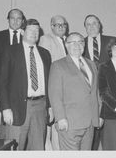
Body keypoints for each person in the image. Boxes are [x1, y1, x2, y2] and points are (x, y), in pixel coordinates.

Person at [0, 19, 52, 150]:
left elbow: (49, 82)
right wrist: (5, 108)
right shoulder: (10, 51)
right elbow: (2, 82)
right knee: (15, 148)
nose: (34, 33)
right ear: (22, 31)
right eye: (30, 30)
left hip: (41, 106)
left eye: (37, 30)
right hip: (17, 108)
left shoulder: (45, 54)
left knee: (38, 147)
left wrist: (49, 106)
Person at [48, 32, 101, 150]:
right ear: (66, 45)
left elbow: (95, 92)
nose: (77, 45)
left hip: (90, 123)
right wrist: (60, 118)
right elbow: (55, 95)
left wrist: (99, 115)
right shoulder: (58, 65)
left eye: (81, 42)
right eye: (73, 42)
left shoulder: (91, 64)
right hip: (69, 123)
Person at [0, 8, 26, 139]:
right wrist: (8, 74)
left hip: (23, 85)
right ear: (8, 20)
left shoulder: (26, 36)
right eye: (12, 18)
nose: (15, 21)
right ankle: (5, 144)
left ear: (22, 21)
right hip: (4, 83)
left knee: (22, 116)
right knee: (6, 115)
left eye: (18, 18)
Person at [83, 14, 113, 150]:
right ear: (85, 28)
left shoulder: (111, 41)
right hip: (89, 95)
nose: (92, 27)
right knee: (92, 136)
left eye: (94, 23)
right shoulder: (79, 44)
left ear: (99, 25)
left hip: (110, 94)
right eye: (88, 24)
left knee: (110, 135)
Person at [39, 15, 69, 150]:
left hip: (67, 91)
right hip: (53, 89)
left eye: (63, 24)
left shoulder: (68, 41)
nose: (61, 27)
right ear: (51, 26)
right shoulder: (46, 39)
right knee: (49, 131)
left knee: (61, 127)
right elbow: (44, 66)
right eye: (58, 25)